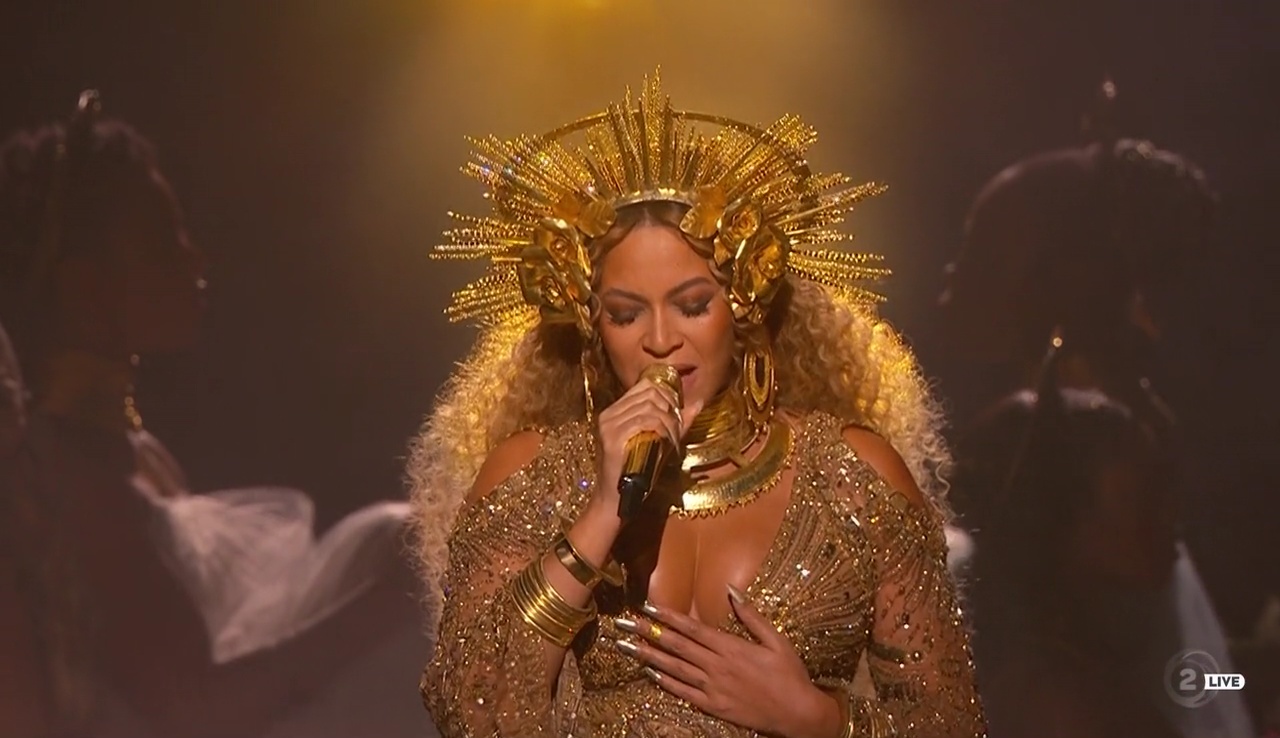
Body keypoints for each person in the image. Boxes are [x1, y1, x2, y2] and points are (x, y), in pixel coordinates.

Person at [408, 72, 986, 737]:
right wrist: (602, 513)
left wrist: (820, 719)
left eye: (691, 305)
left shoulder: (852, 476)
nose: (660, 339)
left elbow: (951, 723)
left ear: (742, 306)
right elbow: (472, 711)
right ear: (592, 327)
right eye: (626, 314)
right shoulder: (531, 475)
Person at [0, 91, 433, 738]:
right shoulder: (64, 475)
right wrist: (378, 608)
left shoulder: (134, 453)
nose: (194, 257)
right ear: (84, 287)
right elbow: (188, 706)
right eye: (161, 240)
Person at [939, 80, 1254, 738]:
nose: (951, 277)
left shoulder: (1085, 459)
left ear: (1056, 283)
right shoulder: (1087, 440)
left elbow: (1193, 682)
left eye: (980, 249)